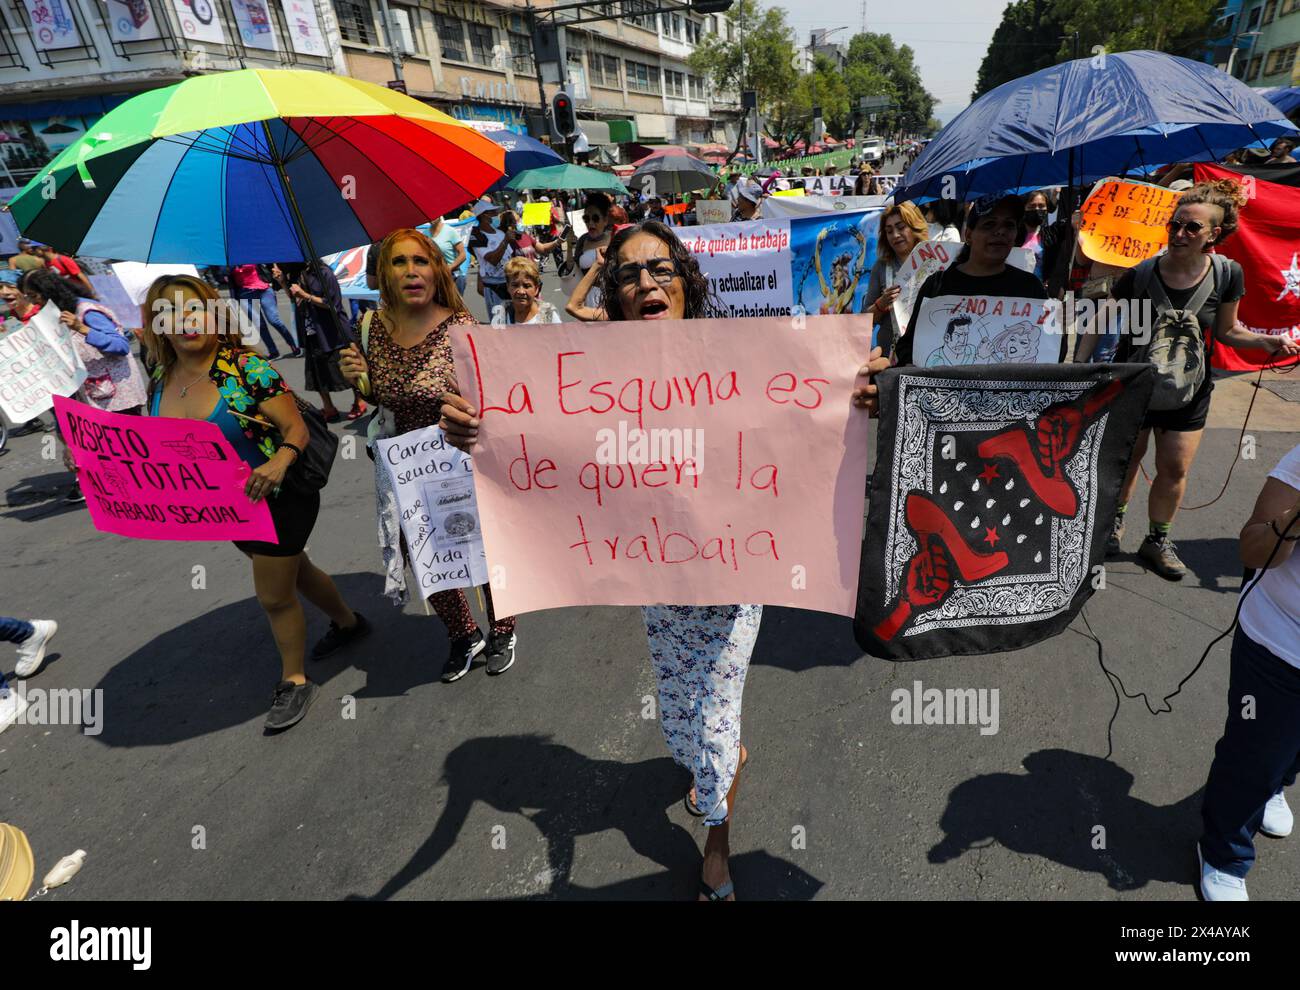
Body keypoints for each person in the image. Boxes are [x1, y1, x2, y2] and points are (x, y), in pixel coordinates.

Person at [439, 219, 890, 901]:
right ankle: (711, 767)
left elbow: (809, 412)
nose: (645, 282)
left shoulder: (743, 353)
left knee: (714, 721)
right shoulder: (584, 367)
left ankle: (716, 841)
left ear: (684, 279)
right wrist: (470, 429)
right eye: (627, 273)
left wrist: (858, 396)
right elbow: (531, 434)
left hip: (739, 572)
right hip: (659, 575)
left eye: (659, 268)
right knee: (682, 716)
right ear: (615, 295)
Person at [140, 274, 369, 731]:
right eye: (170, 313)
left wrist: (278, 464)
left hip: (281, 498)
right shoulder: (160, 381)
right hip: (228, 509)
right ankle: (348, 623)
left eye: (194, 309)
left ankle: (295, 679)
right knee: (297, 571)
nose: (185, 321)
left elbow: (297, 431)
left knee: (273, 594)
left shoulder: (244, 369)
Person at [1076, 179, 1300, 579]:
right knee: (1127, 462)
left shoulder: (1228, 274)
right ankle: (1112, 528)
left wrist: (1265, 341)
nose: (1179, 234)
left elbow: (1229, 331)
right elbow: (1102, 317)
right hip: (1137, 383)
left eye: (1191, 228)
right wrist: (1079, 365)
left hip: (1190, 389)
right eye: (1176, 224)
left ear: (1214, 234)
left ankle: (1157, 540)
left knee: (1174, 468)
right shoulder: (1142, 273)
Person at [337, 228, 519, 682]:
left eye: (421, 261)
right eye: (399, 263)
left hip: (461, 457)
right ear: (383, 274)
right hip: (403, 465)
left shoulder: (463, 329)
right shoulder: (371, 328)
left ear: (437, 270)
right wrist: (359, 380)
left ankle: (502, 628)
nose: (411, 271)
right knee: (425, 554)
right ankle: (463, 635)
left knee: (478, 546)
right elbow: (384, 397)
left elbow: (498, 399)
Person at [1197, 442, 1300, 900]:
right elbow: (1253, 549)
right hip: (1280, 642)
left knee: (1287, 754)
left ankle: (1276, 784)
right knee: (1253, 757)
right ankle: (1223, 855)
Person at [22, 268, 149, 502]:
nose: (31, 301)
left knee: (132, 448)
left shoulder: (86, 311)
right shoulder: (55, 314)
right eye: (27, 296)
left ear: (48, 291)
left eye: (33, 295)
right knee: (109, 451)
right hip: (93, 393)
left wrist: (82, 328)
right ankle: (128, 496)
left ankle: (148, 495)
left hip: (119, 393)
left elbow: (120, 345)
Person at [894, 195, 1049, 368]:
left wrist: (1061, 326)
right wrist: (913, 364)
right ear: (968, 235)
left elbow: (1050, 352)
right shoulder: (938, 285)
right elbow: (907, 345)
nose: (1000, 232)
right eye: (989, 224)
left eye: (1009, 225)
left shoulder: (1030, 287)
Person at [274, 262, 366, 423]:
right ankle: (329, 407)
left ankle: (359, 401)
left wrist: (305, 295)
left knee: (345, 368)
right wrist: (282, 281)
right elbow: (294, 297)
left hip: (332, 331)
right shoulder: (297, 273)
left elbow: (332, 305)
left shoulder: (324, 273)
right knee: (317, 373)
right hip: (311, 331)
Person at [862, 201, 929, 356]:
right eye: (889, 231)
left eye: (901, 227)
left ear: (914, 227)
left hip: (925, 354)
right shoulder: (880, 267)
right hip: (889, 356)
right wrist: (882, 303)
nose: (895, 235)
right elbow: (865, 320)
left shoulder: (935, 261)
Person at [229, 263, 299, 359]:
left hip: (264, 290)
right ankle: (273, 351)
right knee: (259, 324)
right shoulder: (230, 261)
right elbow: (230, 282)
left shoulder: (253, 253)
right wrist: (233, 301)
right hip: (244, 295)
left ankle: (293, 345)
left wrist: (276, 275)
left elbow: (270, 265)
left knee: (274, 320)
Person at [467, 199, 513, 316]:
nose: (496, 215)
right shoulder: (478, 237)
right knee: (500, 325)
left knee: (515, 323)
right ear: (484, 216)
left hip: (510, 283)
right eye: (492, 212)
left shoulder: (500, 233)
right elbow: (492, 260)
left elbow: (510, 258)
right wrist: (505, 241)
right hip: (494, 287)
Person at [491, 257, 562, 325]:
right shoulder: (501, 314)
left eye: (527, 286)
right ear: (508, 287)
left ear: (536, 289)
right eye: (515, 285)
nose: (521, 291)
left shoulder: (548, 316)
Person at [32, 245, 96, 299]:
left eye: (34, 249)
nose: (33, 251)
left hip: (82, 291)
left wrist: (92, 292)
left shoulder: (63, 259)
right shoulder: (46, 264)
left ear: (42, 249)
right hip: (71, 294)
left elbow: (81, 276)